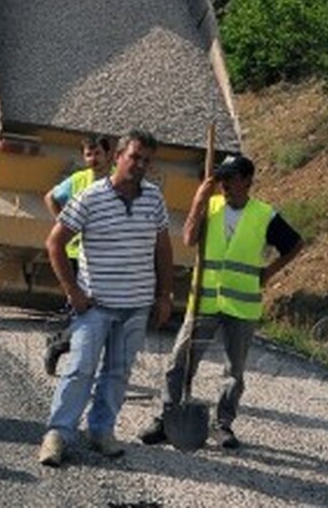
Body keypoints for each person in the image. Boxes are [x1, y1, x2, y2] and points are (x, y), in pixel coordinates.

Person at [139, 155, 303, 450]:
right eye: (221, 178)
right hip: (205, 301)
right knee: (180, 362)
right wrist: (198, 202)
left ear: (247, 181)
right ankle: (166, 418)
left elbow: (295, 244)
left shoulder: (264, 215)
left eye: (231, 178)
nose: (224, 184)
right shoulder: (210, 206)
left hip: (242, 305)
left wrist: (268, 272)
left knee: (234, 372)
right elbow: (189, 239)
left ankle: (222, 424)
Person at [37, 130, 173, 467]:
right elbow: (55, 243)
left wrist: (164, 295)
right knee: (79, 370)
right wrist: (73, 292)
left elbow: (163, 249)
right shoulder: (91, 197)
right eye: (134, 157)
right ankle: (58, 434)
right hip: (95, 306)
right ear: (118, 157)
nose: (139, 165)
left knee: (117, 373)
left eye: (146, 160)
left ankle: (101, 431)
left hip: (136, 306)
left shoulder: (154, 198)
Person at [40, 134, 114, 375]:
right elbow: (50, 197)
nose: (93, 159)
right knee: (81, 310)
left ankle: (77, 354)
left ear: (109, 155)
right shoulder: (79, 180)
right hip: (76, 255)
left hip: (105, 257)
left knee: (101, 312)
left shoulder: (119, 181)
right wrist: (63, 223)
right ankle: (59, 345)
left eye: (97, 153)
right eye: (88, 154)